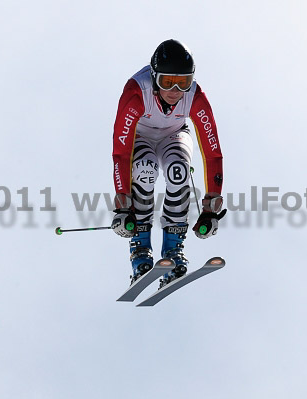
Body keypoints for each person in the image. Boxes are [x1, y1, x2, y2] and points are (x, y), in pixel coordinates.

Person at [111, 39, 225, 287]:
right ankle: (140, 248)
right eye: (167, 82)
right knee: (145, 169)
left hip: (174, 134)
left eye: (182, 83)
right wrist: (123, 204)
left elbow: (212, 152)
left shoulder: (195, 97)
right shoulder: (136, 91)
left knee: (179, 171)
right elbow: (121, 151)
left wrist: (211, 207)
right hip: (139, 136)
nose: (174, 90)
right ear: (154, 78)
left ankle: (174, 249)